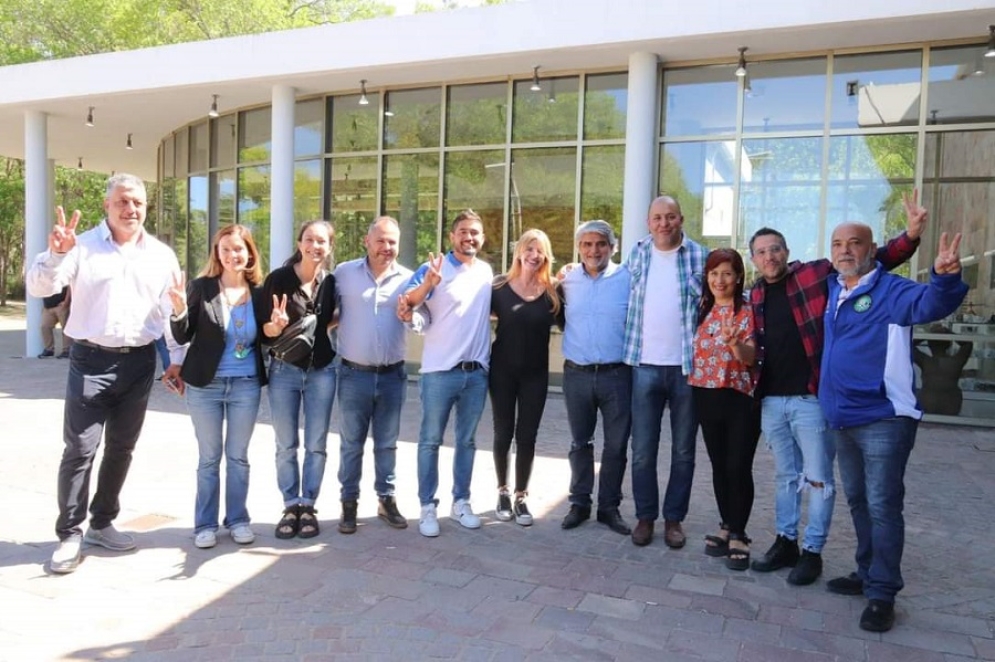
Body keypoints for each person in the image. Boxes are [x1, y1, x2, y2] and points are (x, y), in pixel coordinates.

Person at [748, 191, 924, 586]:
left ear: (787, 251)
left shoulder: (815, 276)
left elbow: (869, 259)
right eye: (761, 252)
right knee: (785, 477)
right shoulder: (755, 294)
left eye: (775, 249)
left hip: (812, 399)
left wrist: (909, 237)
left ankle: (813, 551)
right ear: (754, 259)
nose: (769, 256)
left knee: (819, 479)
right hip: (773, 402)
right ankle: (786, 541)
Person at [26, 173, 181, 574]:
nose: (131, 209)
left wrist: (176, 359)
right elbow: (39, 285)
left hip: (140, 362)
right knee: (79, 449)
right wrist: (56, 254)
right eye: (123, 202)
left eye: (138, 203)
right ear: (107, 206)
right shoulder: (83, 247)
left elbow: (169, 313)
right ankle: (69, 534)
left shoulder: (161, 255)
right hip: (91, 360)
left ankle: (102, 521)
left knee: (122, 448)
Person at [820, 223, 967, 632]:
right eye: (838, 243)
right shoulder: (836, 289)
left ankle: (882, 592)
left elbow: (933, 303)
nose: (845, 250)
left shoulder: (891, 290)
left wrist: (945, 275)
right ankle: (867, 572)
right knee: (859, 501)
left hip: (883, 418)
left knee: (883, 506)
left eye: (855, 243)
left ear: (872, 249)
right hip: (842, 417)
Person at [165, 225, 267, 549]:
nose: (232, 254)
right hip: (205, 387)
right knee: (209, 458)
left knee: (238, 457)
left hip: (245, 386)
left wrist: (277, 327)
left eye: (239, 248)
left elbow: (270, 334)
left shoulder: (261, 292)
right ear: (217, 253)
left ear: (250, 253)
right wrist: (179, 309)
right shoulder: (202, 287)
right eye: (225, 249)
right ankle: (205, 524)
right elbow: (182, 335)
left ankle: (237, 519)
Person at [398, 209, 493, 538]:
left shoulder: (485, 271)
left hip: (476, 374)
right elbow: (408, 303)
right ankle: (427, 507)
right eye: (463, 232)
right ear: (452, 237)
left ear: (482, 238)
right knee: (430, 441)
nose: (469, 237)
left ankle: (461, 502)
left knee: (466, 441)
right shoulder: (433, 268)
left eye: (475, 233)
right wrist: (428, 283)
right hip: (439, 372)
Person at [624, 196, 708, 548]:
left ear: (681, 219)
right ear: (648, 221)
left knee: (684, 450)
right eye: (657, 217)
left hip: (687, 368)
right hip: (644, 364)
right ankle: (646, 516)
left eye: (670, 217)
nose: (664, 223)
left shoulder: (702, 257)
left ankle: (674, 519)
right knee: (642, 449)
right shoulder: (637, 254)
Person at [333, 217, 412, 534]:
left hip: (393, 375)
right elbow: (324, 311)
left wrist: (412, 316)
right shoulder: (343, 273)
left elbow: (420, 320)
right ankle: (348, 502)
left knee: (387, 443)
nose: (387, 247)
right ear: (367, 241)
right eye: (381, 241)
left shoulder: (408, 279)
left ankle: (386, 499)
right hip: (354, 375)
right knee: (351, 444)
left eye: (392, 241)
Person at [259, 220, 337, 540]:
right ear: (299, 242)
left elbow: (335, 316)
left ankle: (309, 504)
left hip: (322, 371)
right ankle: (290, 505)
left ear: (329, 247)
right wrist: (276, 326)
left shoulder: (332, 282)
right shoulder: (278, 279)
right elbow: (264, 331)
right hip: (284, 371)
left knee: (316, 444)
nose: (314, 246)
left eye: (321, 241)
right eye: (309, 239)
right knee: (285, 444)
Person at [557, 220, 632, 536]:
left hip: (618, 375)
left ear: (612, 247)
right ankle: (579, 503)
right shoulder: (566, 281)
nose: (593, 250)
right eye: (586, 244)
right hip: (577, 374)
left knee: (616, 446)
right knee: (580, 442)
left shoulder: (628, 278)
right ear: (578, 248)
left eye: (600, 244)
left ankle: (609, 507)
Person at [689, 249, 759, 571]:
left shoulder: (747, 310)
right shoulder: (701, 308)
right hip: (706, 396)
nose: (720, 280)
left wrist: (734, 342)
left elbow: (750, 358)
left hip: (739, 397)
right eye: (714, 273)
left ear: (738, 276)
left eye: (727, 273)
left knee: (737, 466)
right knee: (718, 465)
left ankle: (740, 534)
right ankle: (726, 524)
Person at [489, 229, 559, 526]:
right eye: (528, 249)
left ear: (546, 256)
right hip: (502, 373)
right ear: (518, 252)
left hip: (535, 376)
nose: (533, 255)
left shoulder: (554, 291)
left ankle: (521, 496)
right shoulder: (498, 288)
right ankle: (502, 491)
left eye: (539, 250)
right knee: (503, 433)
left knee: (527, 436)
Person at [913, 324, 972, 416]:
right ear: (949, 344)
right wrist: (948, 333)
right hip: (950, 405)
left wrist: (928, 335)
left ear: (929, 345)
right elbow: (967, 344)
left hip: (929, 404)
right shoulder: (955, 362)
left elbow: (908, 344)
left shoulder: (926, 361)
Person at [39, 285, 72, 358]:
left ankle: (67, 350)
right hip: (48, 306)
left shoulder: (64, 274)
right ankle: (49, 349)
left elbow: (70, 287)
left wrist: (66, 302)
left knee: (66, 327)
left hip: (61, 305)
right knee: (45, 327)